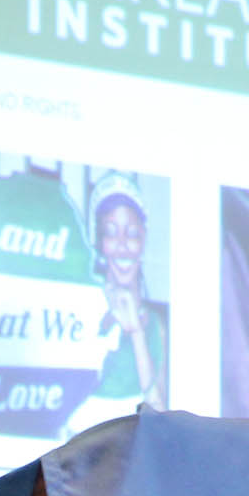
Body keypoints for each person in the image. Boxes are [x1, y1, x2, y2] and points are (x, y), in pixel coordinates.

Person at [86, 172, 167, 412]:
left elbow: (160, 413)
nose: (122, 245)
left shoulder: (156, 325)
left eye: (132, 234)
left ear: (143, 241)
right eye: (111, 232)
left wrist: (136, 333)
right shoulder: (82, 308)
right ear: (99, 242)